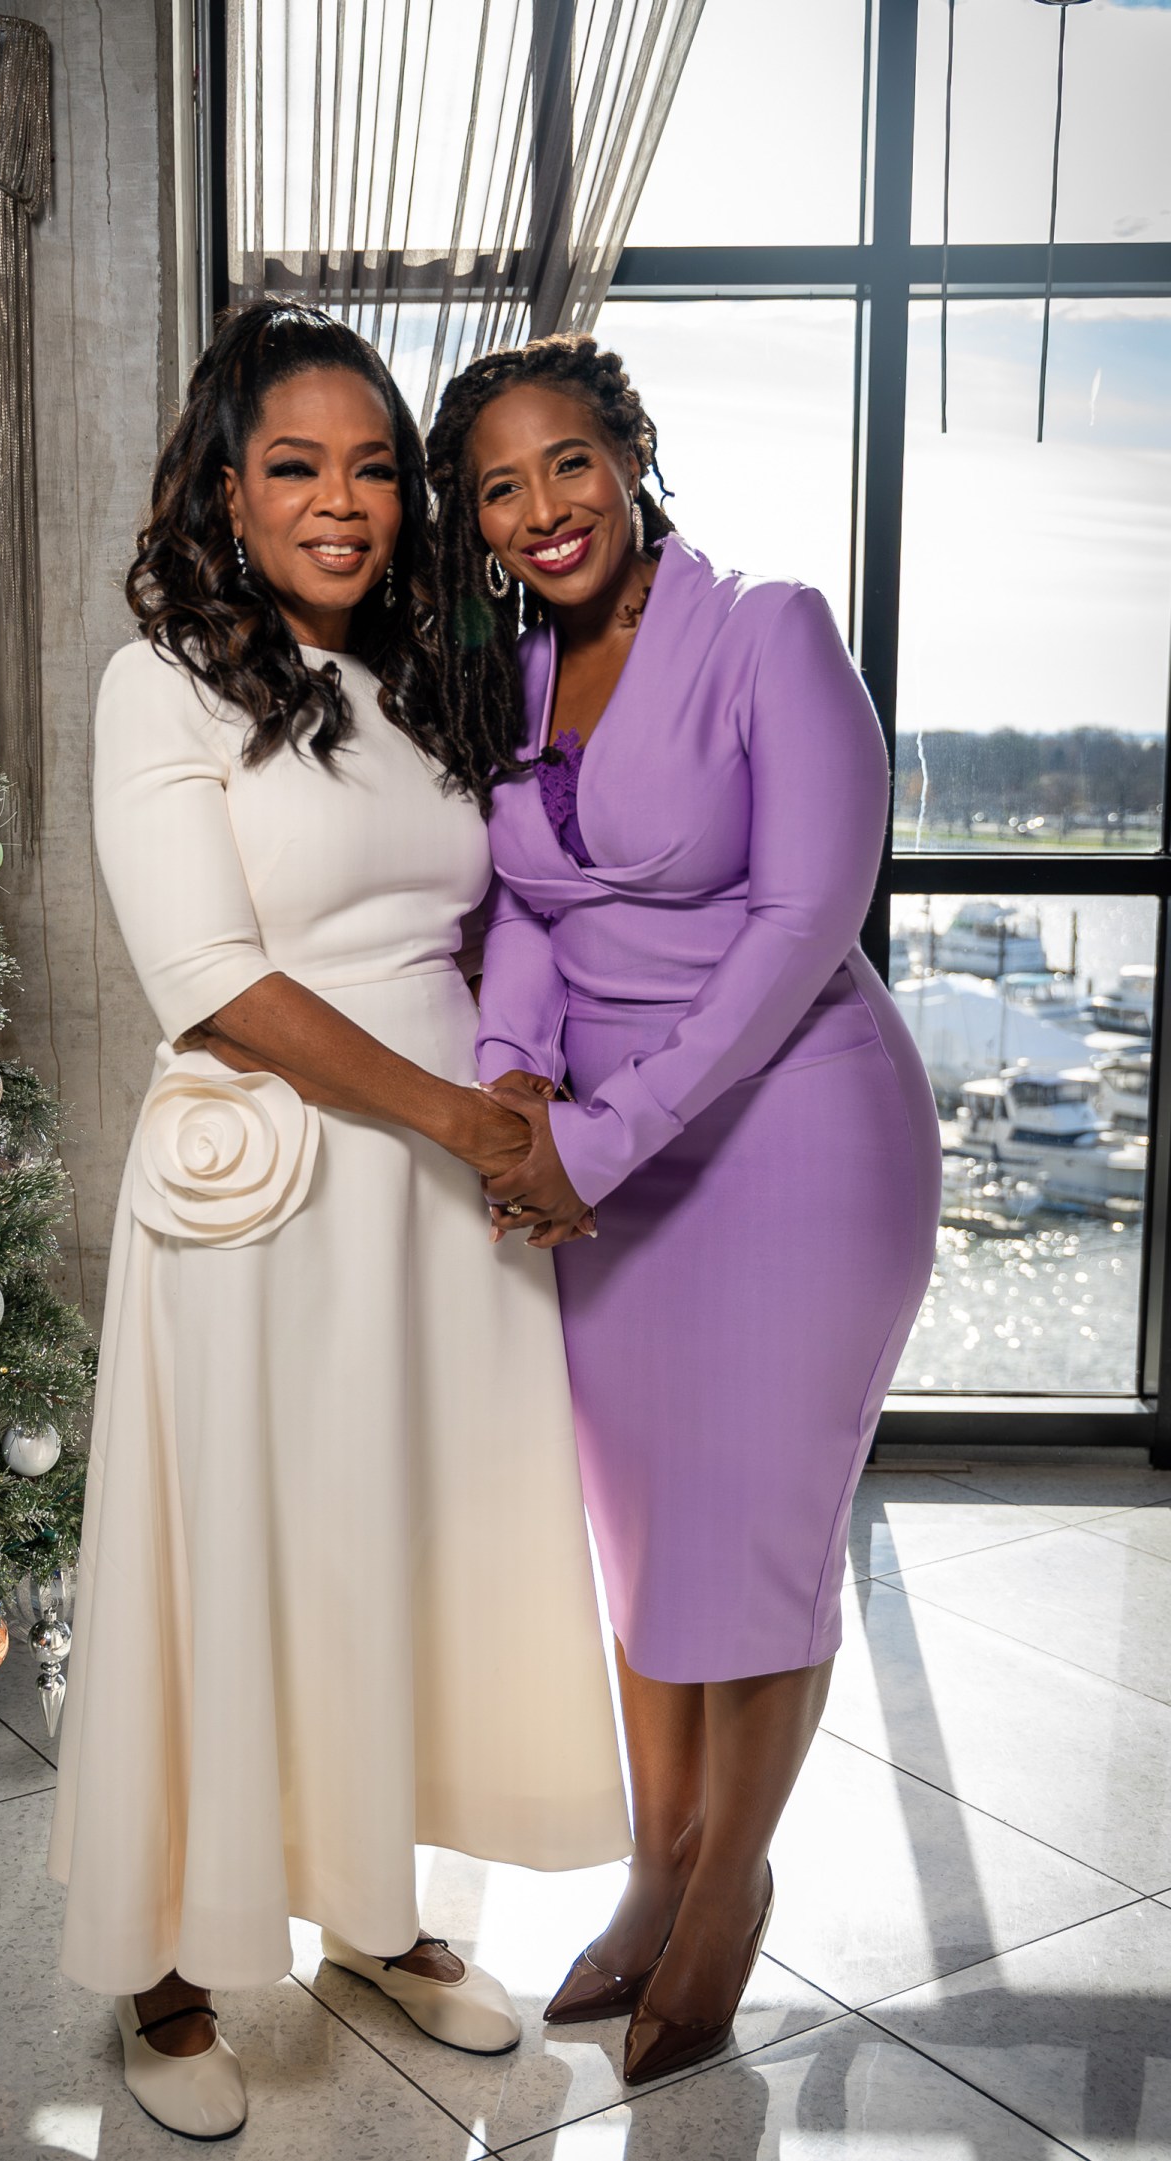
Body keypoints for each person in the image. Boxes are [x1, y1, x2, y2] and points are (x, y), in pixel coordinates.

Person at [48, 304, 629, 2141]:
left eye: (375, 466)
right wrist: (467, 1114)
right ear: (224, 487)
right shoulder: (166, 678)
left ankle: (372, 1913)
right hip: (271, 1185)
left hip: (430, 1206)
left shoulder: (420, 675)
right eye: (296, 465)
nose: (344, 501)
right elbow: (212, 976)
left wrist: (518, 1088)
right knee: (226, 1550)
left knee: (393, 1549)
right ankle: (167, 1957)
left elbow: (480, 919)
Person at [425, 332, 941, 2087]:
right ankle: (653, 1867)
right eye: (501, 484)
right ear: (477, 520)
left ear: (633, 452)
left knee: (759, 1537)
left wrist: (600, 1134)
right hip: (607, 1159)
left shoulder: (772, 632)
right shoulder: (509, 675)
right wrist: (512, 1085)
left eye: (568, 462)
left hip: (797, 1139)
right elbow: (534, 920)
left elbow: (804, 927)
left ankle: (734, 1880)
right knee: (645, 1540)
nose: (543, 508)